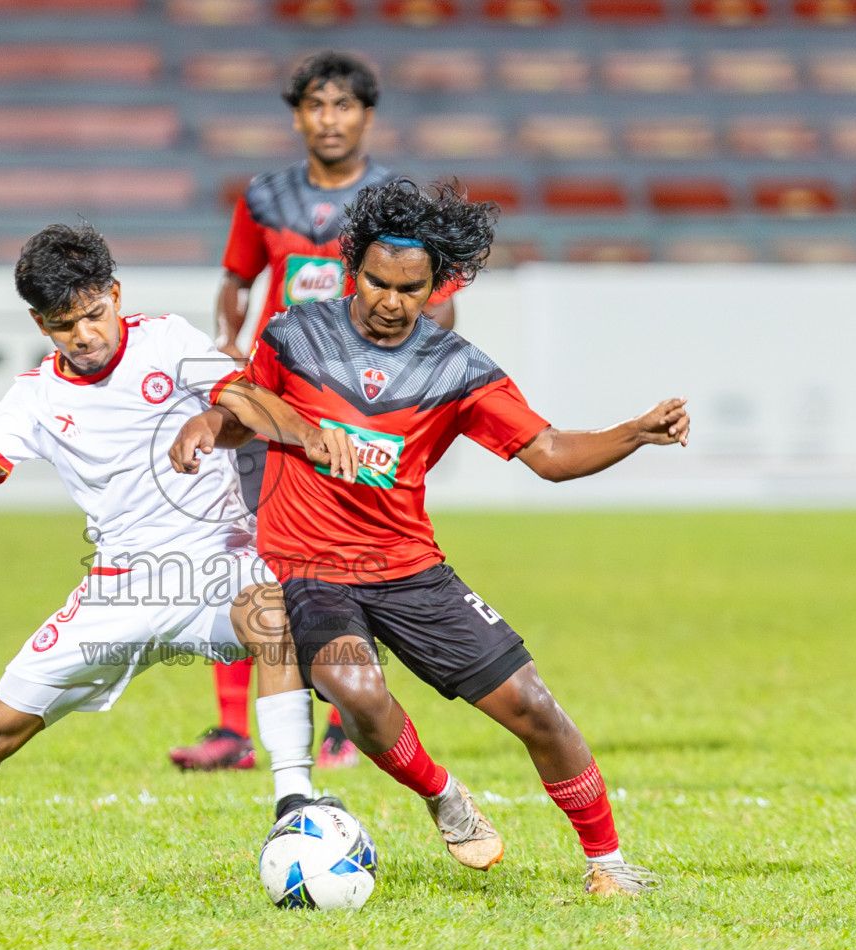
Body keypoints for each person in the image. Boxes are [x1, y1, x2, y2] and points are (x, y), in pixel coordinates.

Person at [172, 180, 691, 896]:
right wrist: (208, 424)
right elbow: (250, 415)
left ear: (436, 286)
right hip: (311, 568)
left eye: (409, 290)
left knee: (535, 708)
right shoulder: (293, 335)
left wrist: (634, 432)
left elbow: (549, 455)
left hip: (410, 569)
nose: (389, 301)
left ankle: (607, 864)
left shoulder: (459, 369)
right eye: (377, 281)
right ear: (354, 267)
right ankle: (441, 793)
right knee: (355, 688)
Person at [0, 223, 358, 891]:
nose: (86, 336)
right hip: (119, 589)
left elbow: (242, 399)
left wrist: (308, 434)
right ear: (41, 324)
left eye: (95, 314)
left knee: (271, 612)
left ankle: (294, 803)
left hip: (216, 566)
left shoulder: (168, 342)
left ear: (116, 295)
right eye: (64, 324)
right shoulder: (37, 397)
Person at [170, 50, 456, 774]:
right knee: (249, 554)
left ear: (367, 114)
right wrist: (231, 341)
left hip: (363, 407)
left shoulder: (396, 202)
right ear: (298, 115)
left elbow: (442, 302)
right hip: (275, 401)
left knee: (359, 554)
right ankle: (233, 730)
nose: (330, 119)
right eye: (317, 106)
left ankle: (344, 720)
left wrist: (410, 370)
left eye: (345, 105)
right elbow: (237, 279)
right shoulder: (264, 197)